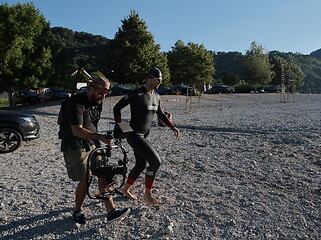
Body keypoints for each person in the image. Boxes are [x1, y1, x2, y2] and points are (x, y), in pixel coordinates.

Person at [58, 76, 130, 224]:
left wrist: (104, 137)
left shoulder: (98, 102)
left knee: (103, 172)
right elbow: (76, 130)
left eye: (105, 94)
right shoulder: (75, 103)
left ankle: (111, 211)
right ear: (91, 88)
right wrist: (100, 137)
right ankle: (78, 211)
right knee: (86, 178)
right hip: (75, 143)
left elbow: (92, 124)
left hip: (93, 141)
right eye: (100, 93)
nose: (103, 97)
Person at [113, 68, 180, 205]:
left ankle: (126, 190)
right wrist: (122, 127)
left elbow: (160, 114)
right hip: (134, 135)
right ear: (150, 78)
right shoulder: (135, 93)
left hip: (144, 135)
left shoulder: (157, 96)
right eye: (158, 80)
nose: (160, 83)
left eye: (161, 81)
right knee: (156, 161)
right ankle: (147, 195)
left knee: (140, 164)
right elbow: (116, 108)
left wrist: (172, 126)